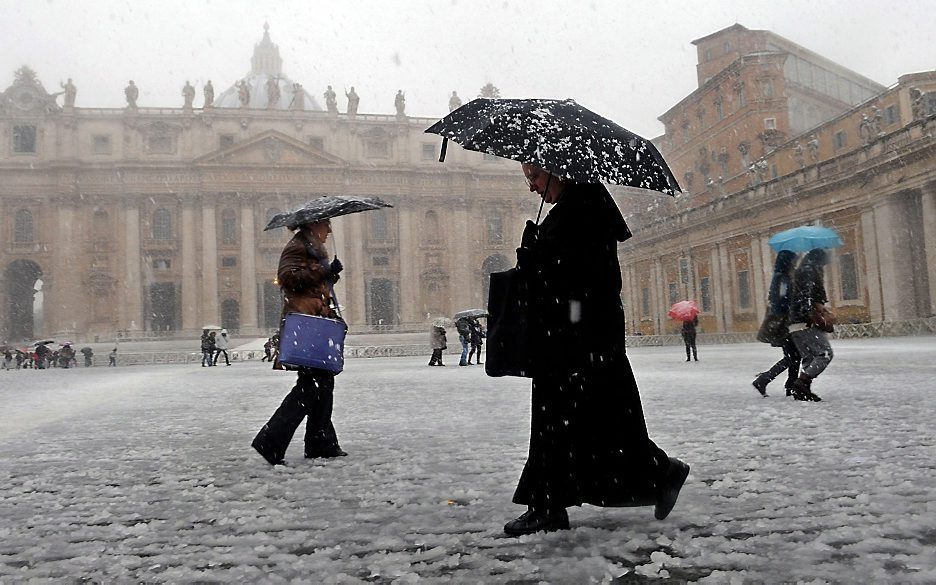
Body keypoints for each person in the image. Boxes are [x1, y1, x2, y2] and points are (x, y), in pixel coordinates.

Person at [502, 163, 689, 536]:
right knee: (600, 419)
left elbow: (577, 278)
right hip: (582, 336)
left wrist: (535, 257)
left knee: (561, 419)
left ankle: (549, 505)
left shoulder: (580, 212)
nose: (532, 187)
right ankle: (658, 471)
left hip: (576, 337)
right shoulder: (580, 208)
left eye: (535, 177)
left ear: (560, 171)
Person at [252, 218, 347, 465]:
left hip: (314, 319)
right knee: (312, 384)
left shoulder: (311, 247)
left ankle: (320, 443)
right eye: (326, 224)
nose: (329, 230)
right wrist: (323, 271)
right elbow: (288, 278)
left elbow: (310, 285)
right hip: (307, 323)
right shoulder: (298, 246)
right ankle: (271, 441)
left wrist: (330, 275)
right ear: (314, 225)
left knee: (321, 382)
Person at [786, 249, 833, 402]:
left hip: (795, 323)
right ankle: (802, 383)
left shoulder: (802, 272)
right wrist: (811, 314)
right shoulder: (809, 273)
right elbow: (806, 297)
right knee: (825, 354)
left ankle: (803, 389)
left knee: (809, 357)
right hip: (804, 322)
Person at [752, 251, 801, 397]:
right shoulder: (782, 279)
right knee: (793, 355)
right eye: (793, 262)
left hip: (785, 322)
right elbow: (782, 300)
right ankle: (765, 380)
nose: (794, 264)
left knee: (794, 355)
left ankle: (789, 385)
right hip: (784, 323)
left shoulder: (782, 278)